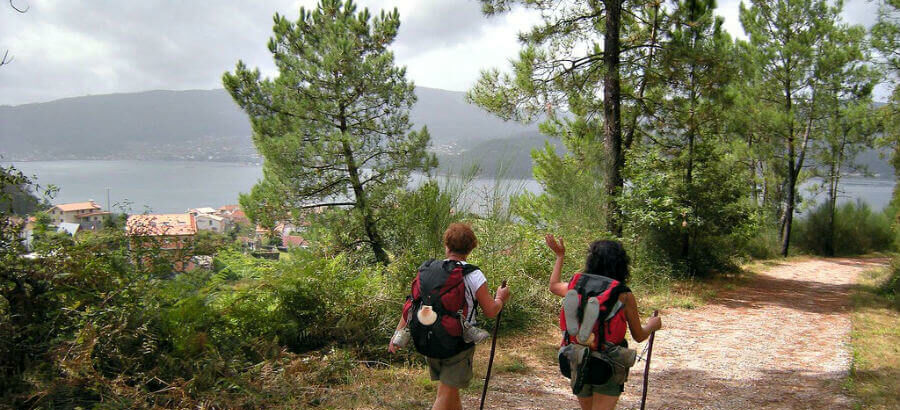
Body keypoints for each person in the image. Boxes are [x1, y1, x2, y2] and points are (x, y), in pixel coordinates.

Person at [389, 223, 511, 410]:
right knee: (445, 394)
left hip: (429, 340)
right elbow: (491, 310)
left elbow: (412, 306)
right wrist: (500, 298)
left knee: (450, 392)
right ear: (471, 248)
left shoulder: (428, 271)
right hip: (457, 344)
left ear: (447, 246)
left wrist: (397, 335)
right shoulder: (473, 274)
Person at [545, 234, 662, 410]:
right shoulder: (623, 294)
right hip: (608, 362)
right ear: (621, 264)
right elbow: (638, 335)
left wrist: (560, 256)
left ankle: (580, 331)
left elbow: (553, 286)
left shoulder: (577, 284)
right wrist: (653, 325)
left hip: (576, 358)